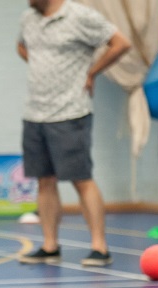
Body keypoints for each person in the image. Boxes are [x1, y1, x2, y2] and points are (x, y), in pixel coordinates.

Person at [16, 0, 130, 267]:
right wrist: (43, 64)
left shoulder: (80, 16)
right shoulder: (28, 19)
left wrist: (92, 72)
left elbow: (121, 43)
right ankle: (49, 245)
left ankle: (100, 248)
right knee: (44, 179)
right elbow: (22, 46)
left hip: (71, 112)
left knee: (81, 179)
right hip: (35, 113)